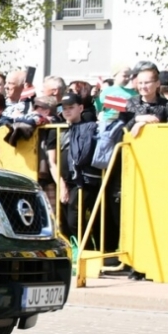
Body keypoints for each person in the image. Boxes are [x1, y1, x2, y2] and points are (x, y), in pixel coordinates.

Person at [48, 93, 102, 245]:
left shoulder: (91, 127)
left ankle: (88, 251)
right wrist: (61, 185)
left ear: (81, 108)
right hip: (65, 180)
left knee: (75, 219)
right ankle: (81, 250)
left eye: (71, 107)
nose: (67, 111)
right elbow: (52, 161)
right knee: (65, 223)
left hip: (85, 180)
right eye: (64, 108)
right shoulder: (55, 129)